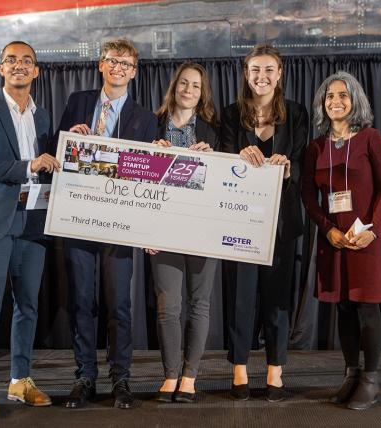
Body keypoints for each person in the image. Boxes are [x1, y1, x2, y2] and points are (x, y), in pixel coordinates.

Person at [54, 39, 157, 409]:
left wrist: (147, 228)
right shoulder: (78, 102)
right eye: (113, 61)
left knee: (119, 305)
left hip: (121, 223)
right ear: (101, 65)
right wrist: (70, 140)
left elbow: (147, 178)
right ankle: (84, 377)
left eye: (126, 64)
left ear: (134, 71)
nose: (119, 68)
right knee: (81, 301)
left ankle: (121, 378)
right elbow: (58, 152)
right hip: (79, 215)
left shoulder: (145, 118)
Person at [0, 41, 60, 418]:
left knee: (28, 305)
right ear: (0, 69)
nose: (18, 66)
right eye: (11, 60)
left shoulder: (45, 116)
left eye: (26, 61)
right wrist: (28, 166)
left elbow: (52, 164)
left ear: (36, 71)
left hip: (33, 220)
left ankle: (20, 381)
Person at [220, 44, 308, 402]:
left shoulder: (297, 114)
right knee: (240, 298)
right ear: (245, 74)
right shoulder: (229, 116)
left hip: (282, 223)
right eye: (255, 69)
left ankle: (275, 371)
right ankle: (239, 368)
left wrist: (290, 168)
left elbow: (304, 165)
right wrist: (236, 157)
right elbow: (219, 166)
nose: (262, 76)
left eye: (269, 69)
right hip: (240, 222)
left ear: (280, 74)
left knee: (277, 299)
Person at [301, 71, 381, 410]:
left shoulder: (370, 138)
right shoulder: (316, 146)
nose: (335, 101)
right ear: (322, 104)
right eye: (329, 96)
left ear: (355, 99)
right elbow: (308, 196)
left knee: (367, 309)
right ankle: (351, 374)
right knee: (343, 308)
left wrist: (373, 227)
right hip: (334, 240)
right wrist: (327, 229)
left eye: (343, 95)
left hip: (366, 238)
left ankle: (370, 379)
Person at [146, 62, 219, 403]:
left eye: (196, 86)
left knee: (199, 304)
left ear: (203, 94)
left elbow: (227, 184)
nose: (189, 90)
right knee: (167, 306)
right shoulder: (150, 124)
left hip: (203, 227)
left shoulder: (213, 130)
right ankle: (170, 375)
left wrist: (214, 159)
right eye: (184, 84)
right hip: (162, 228)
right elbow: (133, 179)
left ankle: (190, 376)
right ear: (174, 86)